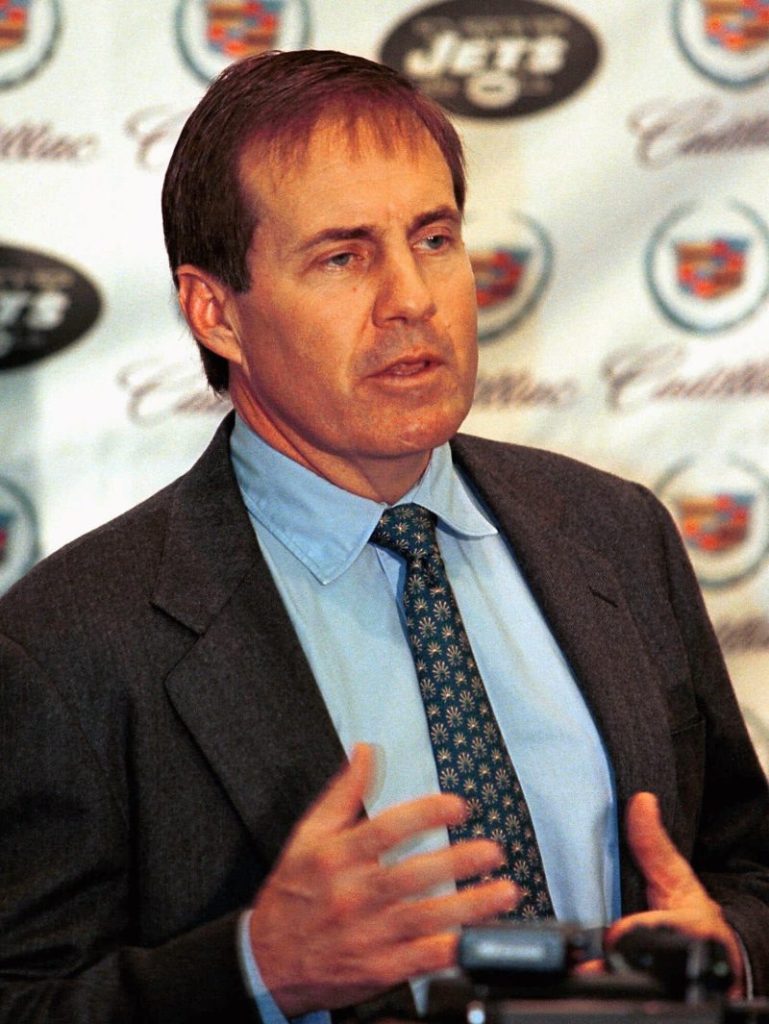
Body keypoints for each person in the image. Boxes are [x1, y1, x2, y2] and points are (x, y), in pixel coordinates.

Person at [1, 48, 769, 1024]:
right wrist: (254, 968)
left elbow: (744, 864)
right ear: (216, 312)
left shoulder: (614, 533)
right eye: (343, 256)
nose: (411, 297)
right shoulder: (71, 643)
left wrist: (724, 948)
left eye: (434, 238)